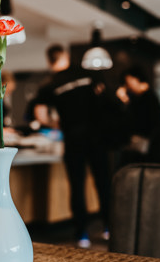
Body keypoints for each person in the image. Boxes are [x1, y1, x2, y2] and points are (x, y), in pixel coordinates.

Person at [33, 44, 112, 248]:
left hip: (73, 138)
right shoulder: (87, 73)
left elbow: (40, 115)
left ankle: (82, 235)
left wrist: (57, 124)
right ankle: (108, 228)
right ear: (66, 56)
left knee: (77, 187)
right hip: (97, 136)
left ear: (50, 61)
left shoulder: (49, 84)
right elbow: (103, 98)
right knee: (103, 183)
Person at [115, 65, 160, 166]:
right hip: (145, 150)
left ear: (136, 79)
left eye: (128, 81)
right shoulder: (144, 98)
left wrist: (124, 101)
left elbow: (147, 123)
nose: (127, 86)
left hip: (146, 151)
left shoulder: (148, 99)